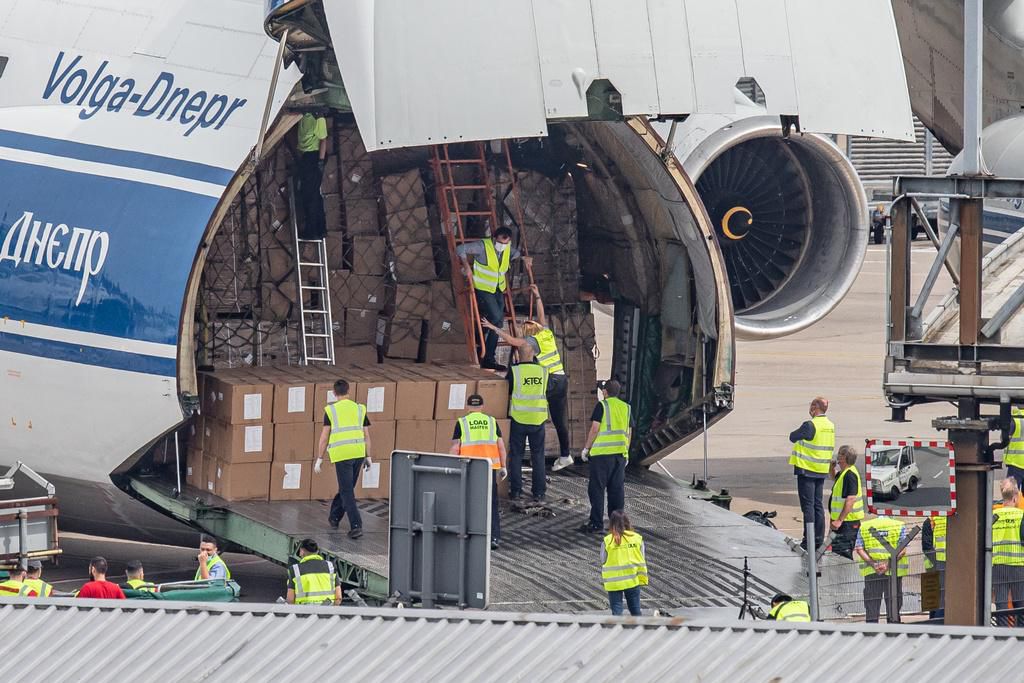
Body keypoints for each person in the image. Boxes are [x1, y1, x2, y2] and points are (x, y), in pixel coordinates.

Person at [483, 285, 572, 470]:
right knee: (559, 420)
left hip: (550, 381)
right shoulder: (546, 333)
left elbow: (514, 342)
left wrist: (494, 328)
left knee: (527, 397)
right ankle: (566, 455)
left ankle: (523, 436)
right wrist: (538, 296)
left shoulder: (533, 341)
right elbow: (541, 315)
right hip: (562, 380)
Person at [455, 227, 532, 370]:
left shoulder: (507, 247)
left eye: (506, 242)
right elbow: (460, 249)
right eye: (500, 242)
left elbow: (515, 254)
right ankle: (488, 356)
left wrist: (524, 258)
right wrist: (466, 265)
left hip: (498, 289)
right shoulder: (482, 246)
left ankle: (482, 342)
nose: (503, 246)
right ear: (494, 238)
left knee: (497, 321)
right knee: (497, 318)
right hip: (483, 288)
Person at [315, 379, 373, 539]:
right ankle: (334, 517)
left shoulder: (331, 410)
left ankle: (356, 525)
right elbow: (366, 435)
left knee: (347, 490)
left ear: (334, 393)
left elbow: (324, 437)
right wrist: (368, 455)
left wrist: (320, 457)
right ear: (349, 391)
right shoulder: (360, 409)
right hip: (358, 452)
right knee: (347, 488)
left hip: (342, 454)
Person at [451, 395, 508, 550]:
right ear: (482, 406)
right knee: (491, 504)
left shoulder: (462, 423)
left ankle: (469, 535)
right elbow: (501, 446)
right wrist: (503, 466)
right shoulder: (491, 421)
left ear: (468, 407)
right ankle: (494, 538)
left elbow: (456, 448)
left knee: (468, 502)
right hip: (489, 468)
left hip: (469, 468)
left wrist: (451, 466)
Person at [579, 380, 631, 533]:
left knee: (597, 490)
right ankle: (617, 525)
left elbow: (595, 428)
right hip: (619, 456)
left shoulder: (602, 406)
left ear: (605, 392)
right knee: (616, 491)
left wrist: (586, 448)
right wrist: (626, 452)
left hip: (601, 456)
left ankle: (596, 524)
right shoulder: (626, 408)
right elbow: (629, 432)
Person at [789, 396, 835, 551]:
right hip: (821, 470)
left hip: (807, 470)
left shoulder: (810, 425)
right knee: (818, 505)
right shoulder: (830, 425)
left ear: (815, 408)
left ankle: (808, 539)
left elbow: (792, 436)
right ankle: (817, 539)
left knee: (807, 506)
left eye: (811, 406)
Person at [505, 342, 549, 502]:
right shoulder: (543, 371)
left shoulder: (515, 371)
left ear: (520, 355)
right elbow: (548, 390)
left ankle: (516, 491)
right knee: (538, 456)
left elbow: (506, 390)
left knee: (516, 455)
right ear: (532, 354)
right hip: (538, 420)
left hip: (519, 419)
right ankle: (539, 492)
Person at [855, 516, 908, 623]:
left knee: (872, 605)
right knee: (893, 605)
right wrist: (887, 565)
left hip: (872, 572)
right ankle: (894, 630)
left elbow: (859, 549)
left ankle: (872, 632)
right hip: (893, 572)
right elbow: (902, 550)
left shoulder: (865, 526)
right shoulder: (898, 525)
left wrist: (874, 564)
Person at [601, 510, 647, 617]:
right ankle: (639, 631)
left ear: (611, 524)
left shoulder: (608, 541)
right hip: (632, 580)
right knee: (636, 611)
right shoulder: (637, 538)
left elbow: (603, 560)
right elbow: (642, 557)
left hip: (614, 582)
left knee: (617, 613)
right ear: (627, 522)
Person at [992, 478, 1024, 627]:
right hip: (1019, 566)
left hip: (998, 566)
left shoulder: (994, 515)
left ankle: (1001, 636)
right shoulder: (1021, 515)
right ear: (1015, 497)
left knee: (1001, 603)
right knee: (1020, 604)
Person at [295, 111, 328, 239]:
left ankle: (312, 230)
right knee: (312, 195)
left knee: (310, 197)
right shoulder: (304, 117)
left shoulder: (318, 118)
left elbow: (323, 140)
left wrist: (320, 161)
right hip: (306, 157)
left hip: (314, 158)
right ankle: (320, 228)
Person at [828, 445, 865, 559]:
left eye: (840, 454)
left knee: (843, 554)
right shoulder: (844, 473)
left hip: (847, 522)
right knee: (837, 553)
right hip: (842, 522)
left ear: (844, 458)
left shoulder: (850, 475)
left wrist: (839, 520)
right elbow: (835, 477)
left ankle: (845, 576)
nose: (837, 456)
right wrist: (831, 468)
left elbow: (851, 499)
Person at [287, 539, 341, 606]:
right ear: (317, 551)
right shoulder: (331, 567)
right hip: (327, 612)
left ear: (301, 551)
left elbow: (290, 599)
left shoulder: (295, 570)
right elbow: (338, 597)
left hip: (304, 612)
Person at [922, 515, 947, 619]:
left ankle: (934, 623)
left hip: (933, 566)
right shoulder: (956, 518)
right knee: (941, 598)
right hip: (944, 565)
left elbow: (926, 546)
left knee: (935, 599)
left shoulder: (931, 520)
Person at [1004, 406, 1024, 489]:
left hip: (1016, 462)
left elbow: (1004, 438)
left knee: (1011, 495)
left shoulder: (1015, 420)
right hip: (1017, 463)